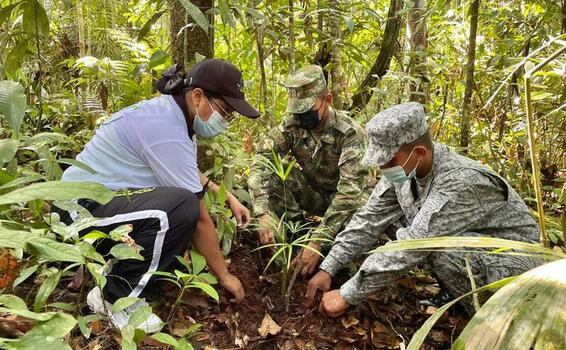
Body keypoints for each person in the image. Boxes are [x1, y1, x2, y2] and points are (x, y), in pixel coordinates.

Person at [58, 59, 259, 332]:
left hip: (97, 205)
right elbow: (199, 217)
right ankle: (115, 296)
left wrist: (228, 197)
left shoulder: (173, 115)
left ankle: (117, 271)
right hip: (77, 213)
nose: (226, 120)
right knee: (182, 208)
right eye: (224, 110)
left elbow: (184, 170)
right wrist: (224, 275)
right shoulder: (166, 129)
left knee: (179, 205)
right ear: (198, 96)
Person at [306, 102, 541, 317]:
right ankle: (458, 295)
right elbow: (369, 219)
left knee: (438, 250)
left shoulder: (459, 183)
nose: (382, 168)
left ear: (419, 153)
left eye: (388, 160)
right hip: (474, 248)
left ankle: (488, 319)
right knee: (393, 224)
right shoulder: (402, 169)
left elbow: (414, 244)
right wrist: (329, 265)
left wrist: (346, 294)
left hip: (514, 264)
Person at [248, 65, 371, 275]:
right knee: (279, 174)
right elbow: (262, 160)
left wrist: (318, 242)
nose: (301, 116)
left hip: (348, 201)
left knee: (361, 213)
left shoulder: (350, 134)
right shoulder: (293, 125)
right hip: (315, 194)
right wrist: (262, 212)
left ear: (328, 100)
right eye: (297, 111)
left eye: (307, 110)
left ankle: (336, 260)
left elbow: (350, 193)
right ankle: (297, 239)